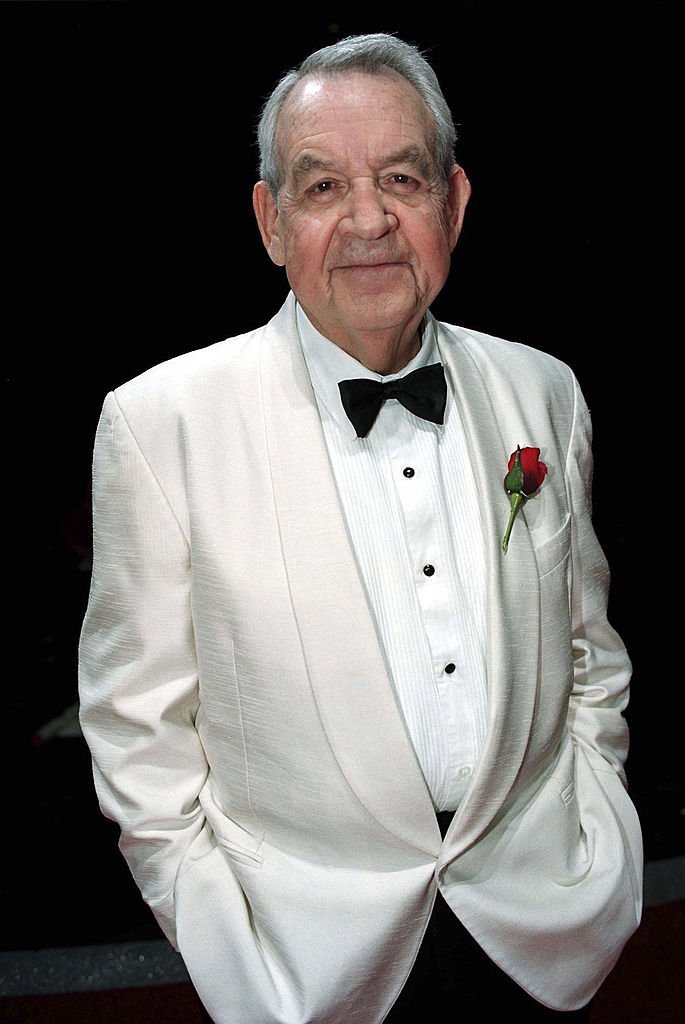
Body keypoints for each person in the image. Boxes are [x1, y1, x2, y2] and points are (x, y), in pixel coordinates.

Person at [78, 32, 643, 1024]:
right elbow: (136, 731)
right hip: (307, 968)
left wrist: (597, 810)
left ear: (453, 204)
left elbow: (588, 650)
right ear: (270, 221)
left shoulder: (544, 393)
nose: (371, 219)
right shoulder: (159, 426)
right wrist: (220, 935)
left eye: (401, 178)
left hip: (540, 934)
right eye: (324, 186)